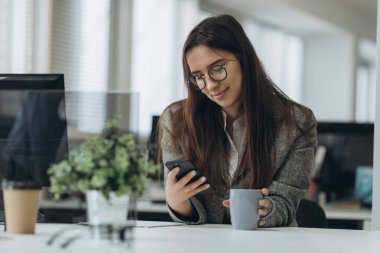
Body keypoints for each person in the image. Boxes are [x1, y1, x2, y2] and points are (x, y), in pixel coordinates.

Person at [158, 14, 317, 227]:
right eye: (199, 76)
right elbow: (188, 207)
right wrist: (177, 202)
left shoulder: (296, 123)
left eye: (217, 68)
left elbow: (286, 203)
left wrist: (268, 210)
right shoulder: (176, 120)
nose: (210, 85)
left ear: (243, 59)